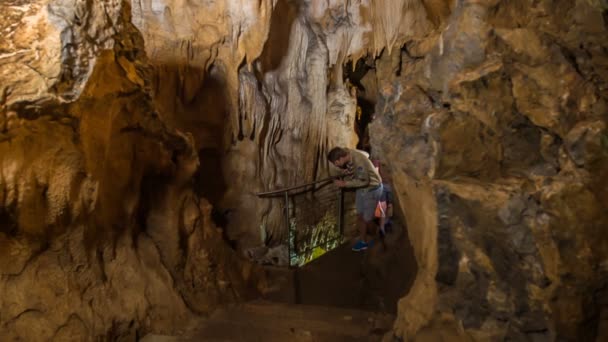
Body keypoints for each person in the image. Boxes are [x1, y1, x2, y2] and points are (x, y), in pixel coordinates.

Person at [327, 147, 383, 251]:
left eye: (336, 163)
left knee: (367, 219)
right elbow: (365, 154)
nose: (336, 166)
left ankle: (378, 235)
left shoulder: (359, 162)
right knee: (360, 215)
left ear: (340, 159)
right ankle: (363, 241)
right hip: (361, 189)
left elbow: (364, 181)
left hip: (371, 189)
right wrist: (348, 171)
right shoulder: (348, 153)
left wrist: (345, 183)